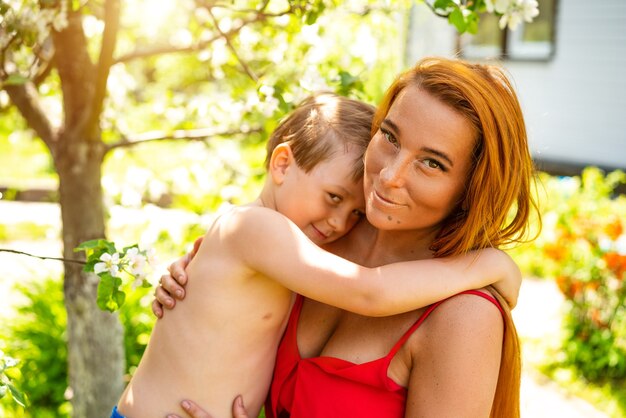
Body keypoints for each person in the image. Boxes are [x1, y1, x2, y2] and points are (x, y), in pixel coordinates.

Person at [156, 56, 540, 418]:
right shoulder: (318, 238)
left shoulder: (464, 316)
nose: (390, 175)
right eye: (390, 136)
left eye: (432, 163)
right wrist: (194, 282)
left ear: (471, 189)